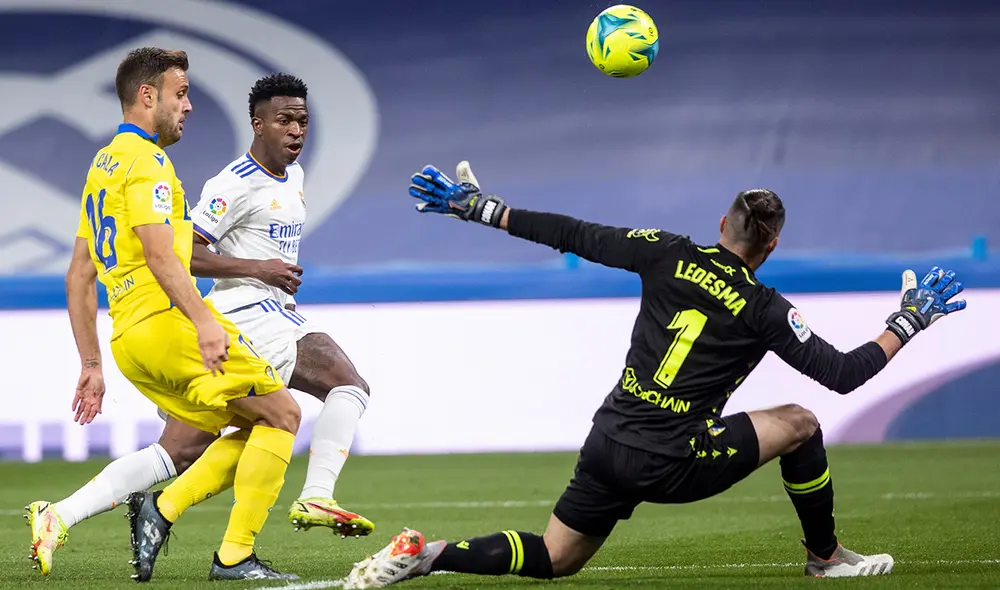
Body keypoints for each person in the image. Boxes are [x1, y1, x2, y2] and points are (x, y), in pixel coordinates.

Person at [343, 162, 967, 588]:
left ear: (723, 226)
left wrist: (484, 209)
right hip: (673, 458)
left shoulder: (666, 250)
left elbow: (576, 234)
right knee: (801, 423)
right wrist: (908, 321)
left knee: (557, 558)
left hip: (609, 438)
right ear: (771, 246)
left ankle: (427, 556)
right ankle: (825, 558)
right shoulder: (766, 308)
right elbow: (843, 373)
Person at [25, 73, 374, 580]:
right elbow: (173, 254)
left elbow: (79, 272)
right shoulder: (153, 164)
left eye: (303, 120)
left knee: (188, 446)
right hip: (186, 321)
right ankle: (249, 544)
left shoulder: (103, 165)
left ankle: (76, 514)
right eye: (181, 94)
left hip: (130, 337)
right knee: (294, 409)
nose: (189, 106)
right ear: (149, 96)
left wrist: (92, 363)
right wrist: (209, 316)